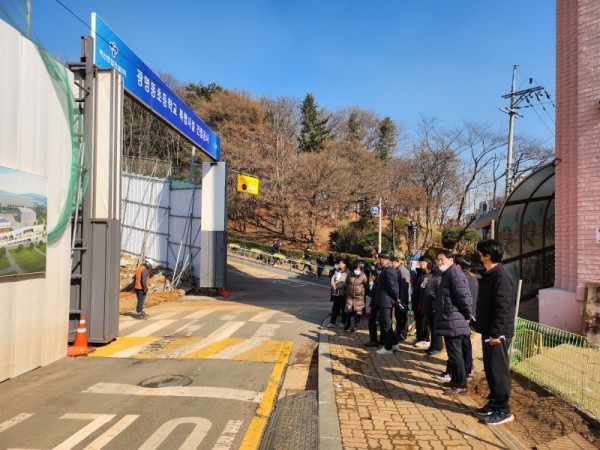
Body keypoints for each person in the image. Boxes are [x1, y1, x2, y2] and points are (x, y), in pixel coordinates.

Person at [473, 239, 516, 425]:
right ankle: (494, 402)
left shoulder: (502, 277)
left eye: (480, 252)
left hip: (497, 333)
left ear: (487, 255)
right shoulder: (490, 274)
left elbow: (503, 308)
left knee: (499, 372)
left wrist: (496, 333)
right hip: (489, 331)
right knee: (490, 370)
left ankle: (503, 409)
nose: (478, 255)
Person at [433, 251, 473, 396]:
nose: (439, 262)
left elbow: (464, 296)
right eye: (438, 260)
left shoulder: (454, 274)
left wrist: (468, 315)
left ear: (451, 260)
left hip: (454, 320)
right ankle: (456, 380)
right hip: (450, 319)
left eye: (442, 259)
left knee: (456, 354)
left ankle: (460, 385)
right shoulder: (448, 274)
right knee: (453, 354)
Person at [372, 252, 400, 355]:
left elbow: (393, 286)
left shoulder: (389, 271)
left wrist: (396, 298)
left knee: (386, 324)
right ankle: (394, 343)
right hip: (385, 300)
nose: (379, 261)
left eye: (379, 259)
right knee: (386, 323)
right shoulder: (389, 269)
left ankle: (388, 348)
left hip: (386, 301)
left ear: (382, 259)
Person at [419, 261, 443, 356]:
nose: (425, 269)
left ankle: (437, 346)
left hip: (434, 305)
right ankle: (433, 345)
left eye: (427, 267)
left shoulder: (438, 278)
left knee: (435, 327)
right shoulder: (428, 277)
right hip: (428, 305)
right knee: (431, 326)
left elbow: (438, 293)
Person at [412, 256, 433, 347]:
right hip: (417, 300)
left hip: (425, 301)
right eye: (420, 262)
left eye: (423, 262)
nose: (421, 263)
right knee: (418, 319)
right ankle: (419, 337)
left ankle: (425, 338)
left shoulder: (430, 275)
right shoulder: (419, 273)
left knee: (424, 320)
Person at [391, 255, 411, 341]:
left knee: (402, 317)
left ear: (395, 262)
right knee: (398, 316)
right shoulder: (398, 270)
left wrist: (401, 298)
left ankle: (403, 333)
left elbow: (405, 286)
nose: (391, 265)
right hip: (398, 298)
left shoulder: (403, 271)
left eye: (392, 263)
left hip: (402, 299)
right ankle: (398, 332)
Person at [344, 262, 369, 331]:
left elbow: (366, 285)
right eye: (356, 269)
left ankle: (356, 325)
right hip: (350, 296)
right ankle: (348, 323)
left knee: (358, 312)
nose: (357, 270)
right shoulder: (349, 275)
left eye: (358, 269)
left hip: (359, 297)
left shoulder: (363, 276)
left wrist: (362, 292)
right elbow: (346, 283)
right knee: (349, 310)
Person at [327, 259, 351, 328]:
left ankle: (343, 322)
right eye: (339, 263)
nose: (339, 264)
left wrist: (337, 286)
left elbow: (345, 282)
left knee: (343, 308)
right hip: (335, 292)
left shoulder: (348, 273)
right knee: (334, 307)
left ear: (345, 264)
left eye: (341, 263)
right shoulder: (337, 270)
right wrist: (333, 285)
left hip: (343, 293)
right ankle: (332, 322)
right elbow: (332, 278)